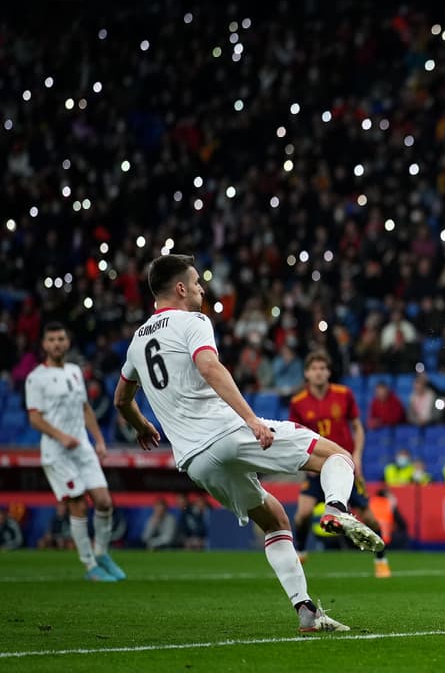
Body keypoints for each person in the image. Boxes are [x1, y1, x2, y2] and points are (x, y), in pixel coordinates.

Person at [114, 254, 383, 633]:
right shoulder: (193, 322)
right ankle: (337, 507)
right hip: (225, 433)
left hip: (193, 461)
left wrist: (142, 424)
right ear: (180, 289)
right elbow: (209, 366)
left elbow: (121, 400)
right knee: (337, 457)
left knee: (274, 519)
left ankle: (306, 611)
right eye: (196, 283)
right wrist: (251, 419)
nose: (201, 289)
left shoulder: (136, 344)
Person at [25, 321, 127, 581]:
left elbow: (85, 408)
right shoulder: (36, 378)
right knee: (78, 504)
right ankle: (89, 565)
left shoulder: (74, 371)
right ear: (44, 345)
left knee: (104, 502)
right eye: (52, 340)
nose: (57, 343)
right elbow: (35, 418)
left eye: (61, 338)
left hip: (82, 446)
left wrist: (99, 441)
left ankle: (102, 553)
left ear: (67, 342)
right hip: (57, 451)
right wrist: (61, 436)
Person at [287, 351, 390, 577]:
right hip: (317, 468)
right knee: (302, 515)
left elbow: (357, 427)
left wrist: (358, 456)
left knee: (369, 517)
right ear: (306, 373)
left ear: (329, 372)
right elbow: (295, 436)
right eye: (314, 368)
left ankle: (381, 559)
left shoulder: (344, 394)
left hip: (344, 468)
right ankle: (302, 552)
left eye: (323, 368)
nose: (319, 373)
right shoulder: (298, 402)